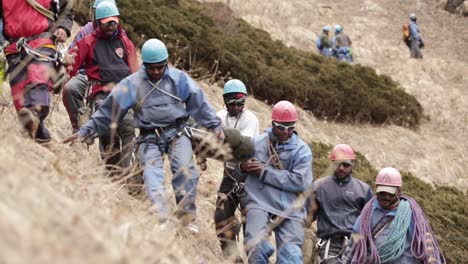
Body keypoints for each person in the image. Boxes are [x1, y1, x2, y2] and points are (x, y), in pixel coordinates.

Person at [64, 38, 223, 233]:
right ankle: (161, 219)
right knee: (152, 178)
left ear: (166, 63)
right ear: (144, 65)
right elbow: (108, 112)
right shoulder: (131, 84)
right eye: (151, 68)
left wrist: (214, 125)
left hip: (177, 133)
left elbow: (199, 102)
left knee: (185, 172)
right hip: (149, 138)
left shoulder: (178, 79)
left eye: (160, 67)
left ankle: (187, 218)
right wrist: (85, 131)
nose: (156, 72)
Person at [231, 100, 313, 263]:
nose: (286, 132)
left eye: (291, 128)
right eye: (281, 127)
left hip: (290, 208)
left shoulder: (302, 151)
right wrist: (242, 167)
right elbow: (236, 174)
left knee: (291, 256)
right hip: (259, 201)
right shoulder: (255, 144)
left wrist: (263, 172)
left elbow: (299, 181)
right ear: (273, 124)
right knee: (254, 247)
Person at [66, 1, 139, 172]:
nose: (112, 25)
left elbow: (136, 71)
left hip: (124, 93)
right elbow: (71, 64)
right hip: (100, 93)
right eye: (107, 23)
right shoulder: (87, 42)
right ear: (98, 22)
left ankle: (130, 173)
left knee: (128, 126)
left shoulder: (125, 42)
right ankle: (113, 172)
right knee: (107, 130)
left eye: (114, 21)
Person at [1, 0, 74, 142]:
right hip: (14, 48)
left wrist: (63, 28)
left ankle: (35, 115)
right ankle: (41, 137)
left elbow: (67, 10)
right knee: (19, 96)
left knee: (38, 81)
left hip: (42, 41)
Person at [342, 167, 445, 264]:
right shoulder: (367, 214)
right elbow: (354, 243)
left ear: (398, 191)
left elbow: (427, 245)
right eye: (382, 193)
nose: (386, 197)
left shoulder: (410, 215)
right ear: (376, 189)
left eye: (390, 194)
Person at [214, 79, 259, 262]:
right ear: (225, 101)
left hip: (250, 177)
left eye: (240, 102)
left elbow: (241, 146)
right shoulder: (219, 116)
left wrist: (220, 142)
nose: (235, 106)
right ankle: (233, 259)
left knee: (251, 226)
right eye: (231, 102)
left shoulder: (251, 120)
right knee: (220, 218)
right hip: (230, 174)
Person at [305, 144, 373, 263]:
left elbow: (372, 221)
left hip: (357, 245)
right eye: (338, 164)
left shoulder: (364, 189)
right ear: (332, 163)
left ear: (352, 164)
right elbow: (306, 218)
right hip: (329, 244)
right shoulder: (318, 187)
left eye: (346, 165)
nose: (341, 168)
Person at [62, 0, 116, 133]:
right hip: (84, 74)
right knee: (70, 89)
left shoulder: (119, 37)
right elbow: (72, 52)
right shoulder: (86, 31)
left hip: (106, 79)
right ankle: (79, 128)